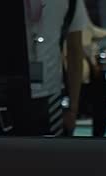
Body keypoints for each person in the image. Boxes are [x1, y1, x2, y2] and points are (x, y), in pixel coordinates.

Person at [23, 0, 86, 136]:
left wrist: (73, 108)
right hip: (12, 94)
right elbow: (74, 51)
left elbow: (75, 52)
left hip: (50, 95)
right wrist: (73, 109)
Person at [76, 7, 106, 136]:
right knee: (97, 104)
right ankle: (98, 132)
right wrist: (93, 65)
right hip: (88, 69)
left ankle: (98, 131)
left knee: (97, 104)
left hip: (89, 67)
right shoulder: (80, 21)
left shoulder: (84, 22)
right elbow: (83, 45)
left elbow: (97, 32)